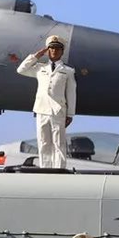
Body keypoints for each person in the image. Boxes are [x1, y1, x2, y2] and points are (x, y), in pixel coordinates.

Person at [16, 35, 77, 169]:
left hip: (58, 110)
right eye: (51, 48)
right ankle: (45, 168)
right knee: (43, 142)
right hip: (41, 109)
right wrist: (36, 56)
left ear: (62, 51)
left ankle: (59, 169)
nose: (54, 51)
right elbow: (21, 70)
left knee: (58, 142)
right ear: (47, 50)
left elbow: (71, 93)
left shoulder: (68, 71)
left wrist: (70, 114)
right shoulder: (40, 68)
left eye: (57, 49)